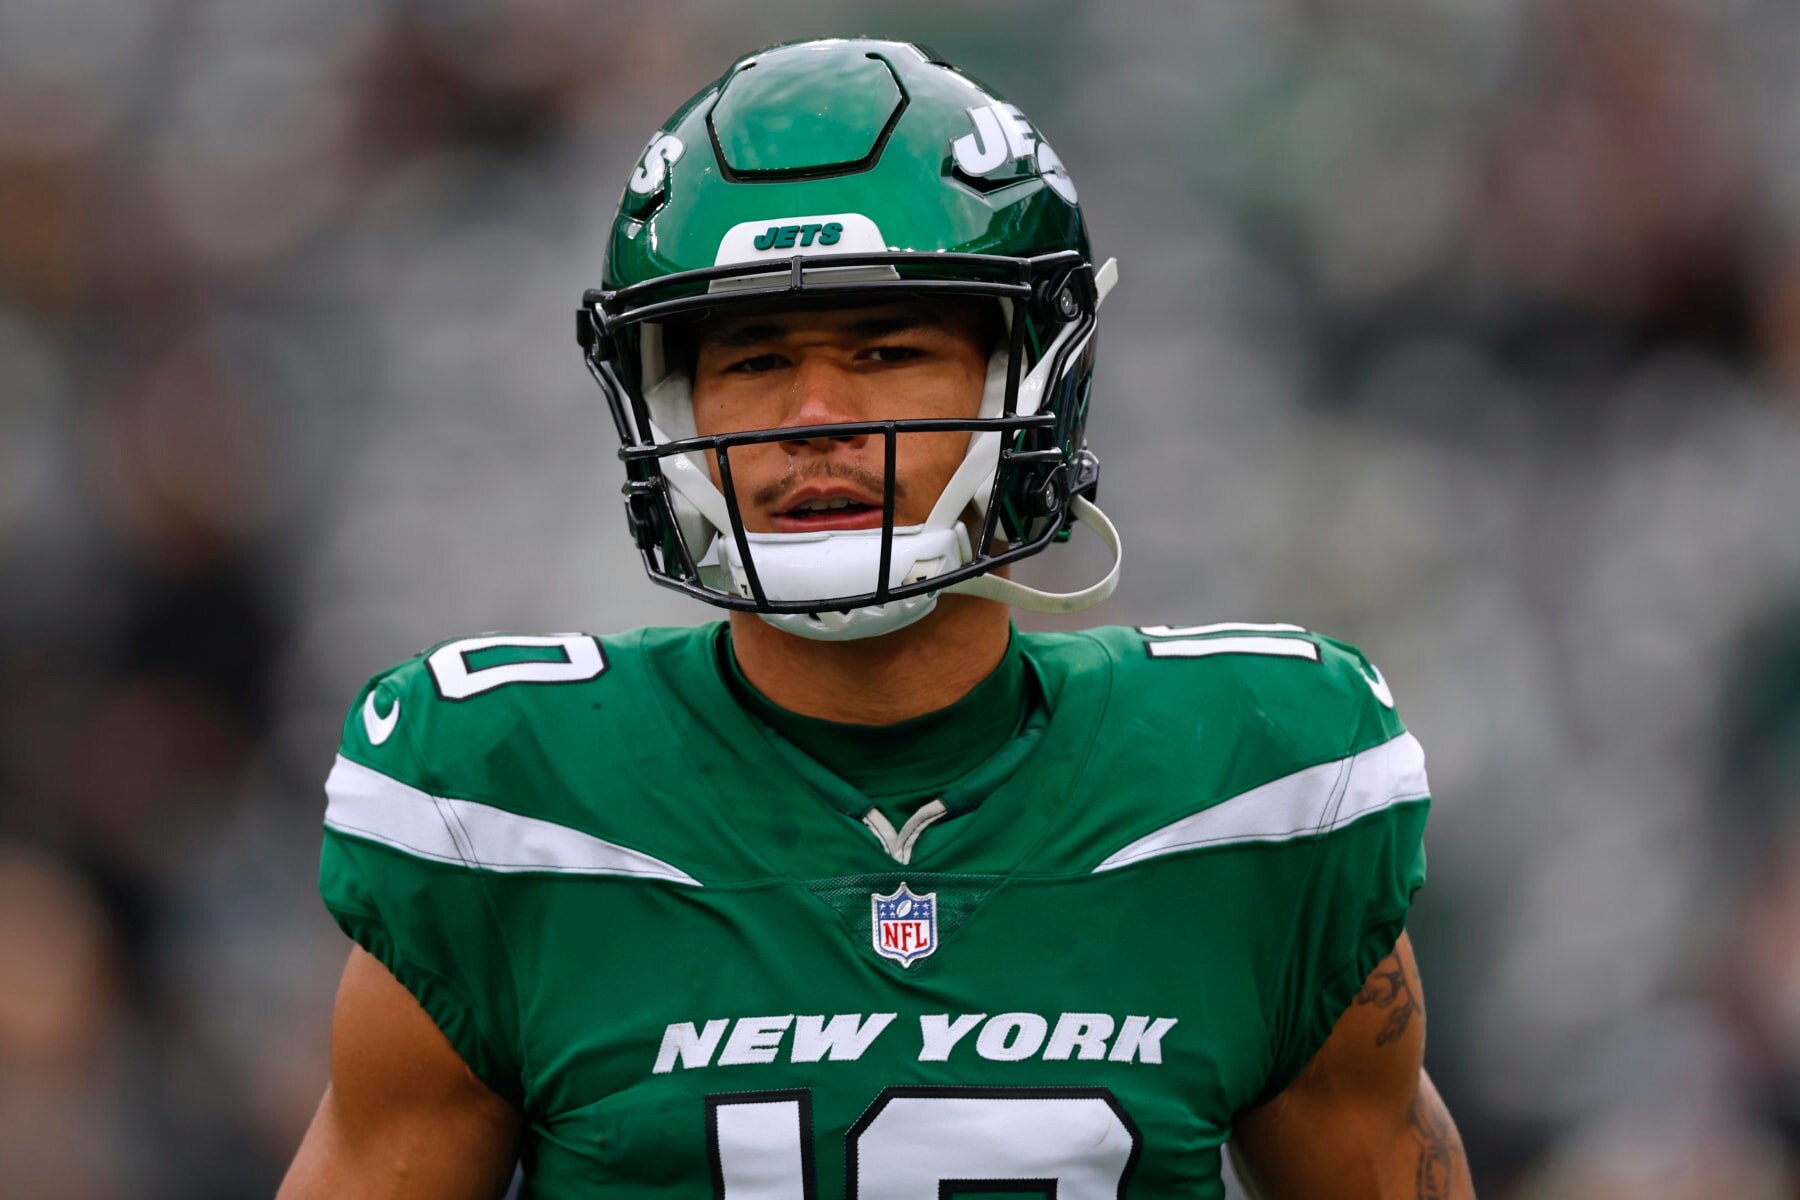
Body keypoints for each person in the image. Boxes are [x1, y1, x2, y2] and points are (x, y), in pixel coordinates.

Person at [279, 38, 1474, 1200]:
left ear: (1030, 379)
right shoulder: (508, 803)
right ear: (666, 404)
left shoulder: (1253, 788)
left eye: (888, 349)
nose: (816, 417)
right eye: (754, 363)